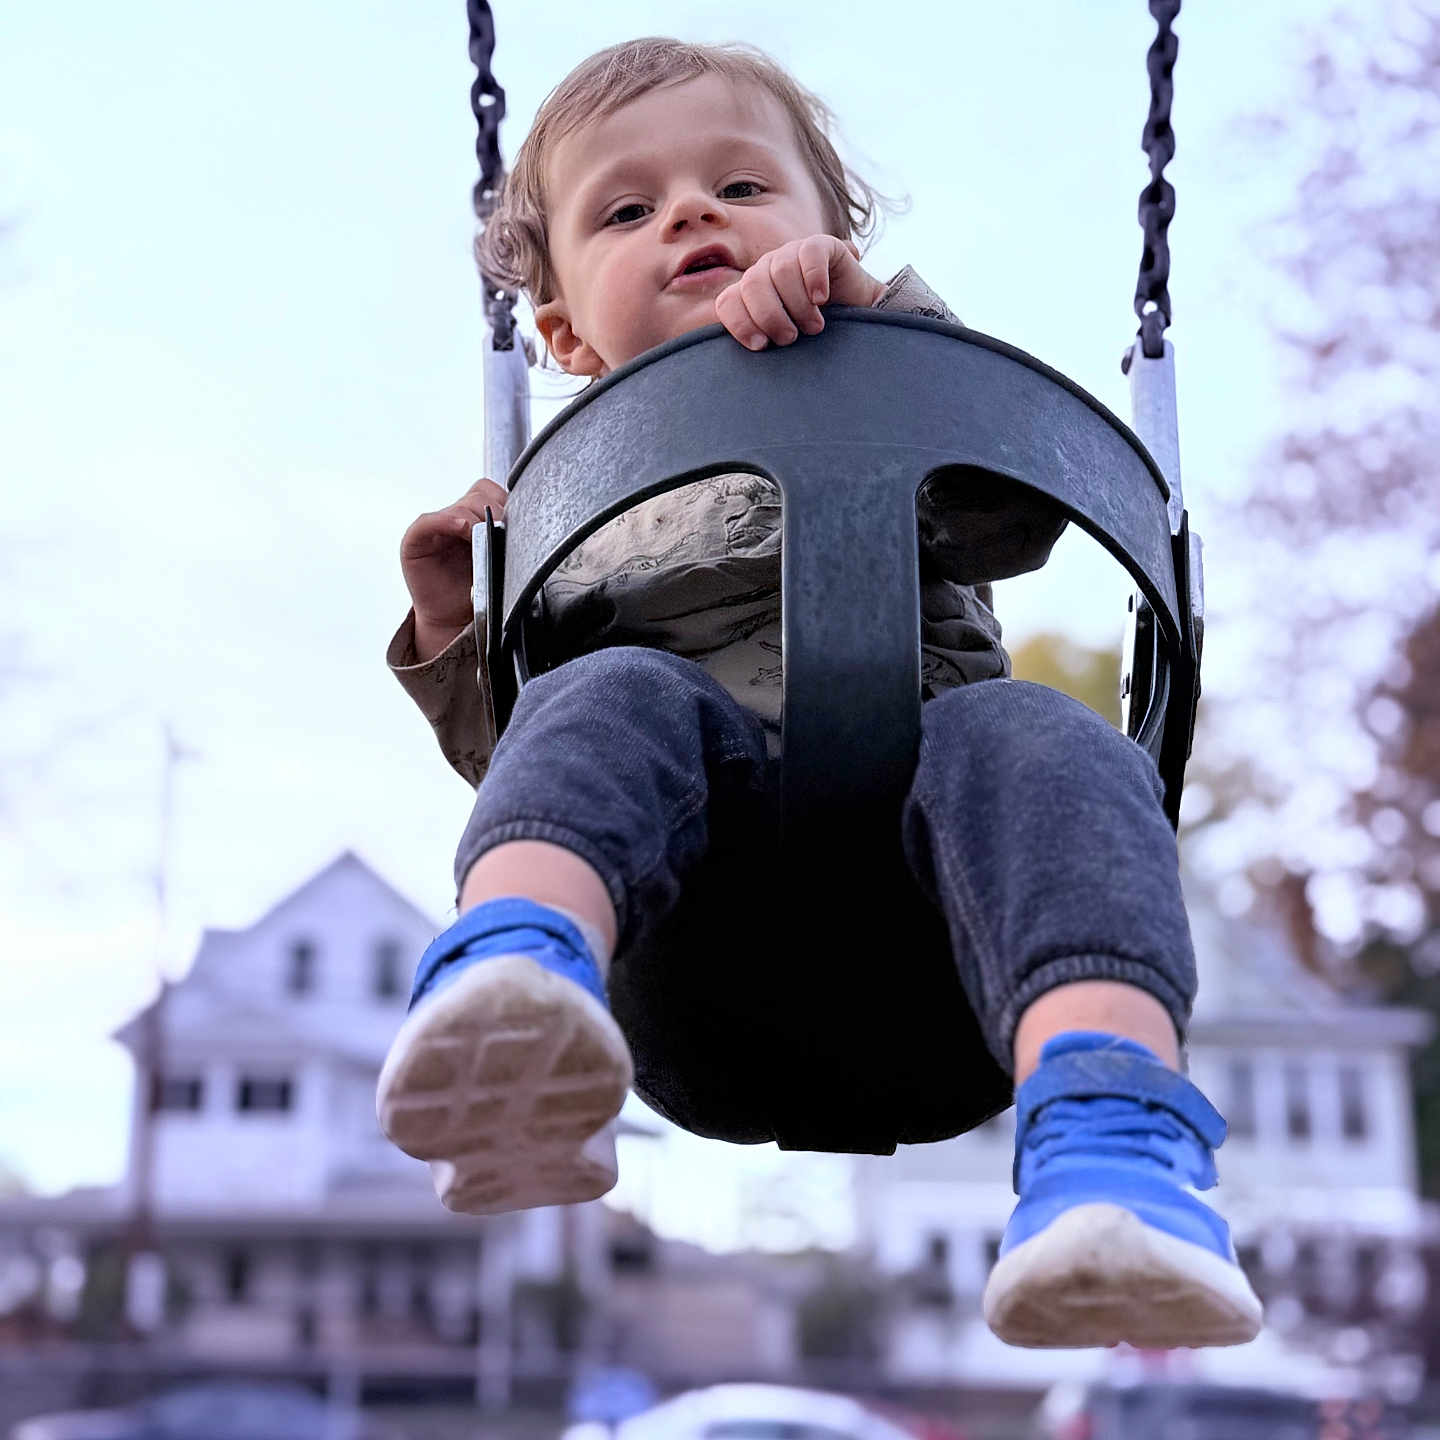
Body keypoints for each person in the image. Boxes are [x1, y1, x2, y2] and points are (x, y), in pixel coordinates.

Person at [376, 36, 1262, 1350]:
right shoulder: (568, 523)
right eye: (628, 211)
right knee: (614, 693)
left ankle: (1113, 1143)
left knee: (1038, 734)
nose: (689, 215)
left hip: (942, 919)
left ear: (830, 237)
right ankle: (513, 988)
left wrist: (882, 336)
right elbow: (528, 756)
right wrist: (456, 621)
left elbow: (1012, 516)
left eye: (742, 189)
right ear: (561, 332)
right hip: (706, 944)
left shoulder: (883, 375)